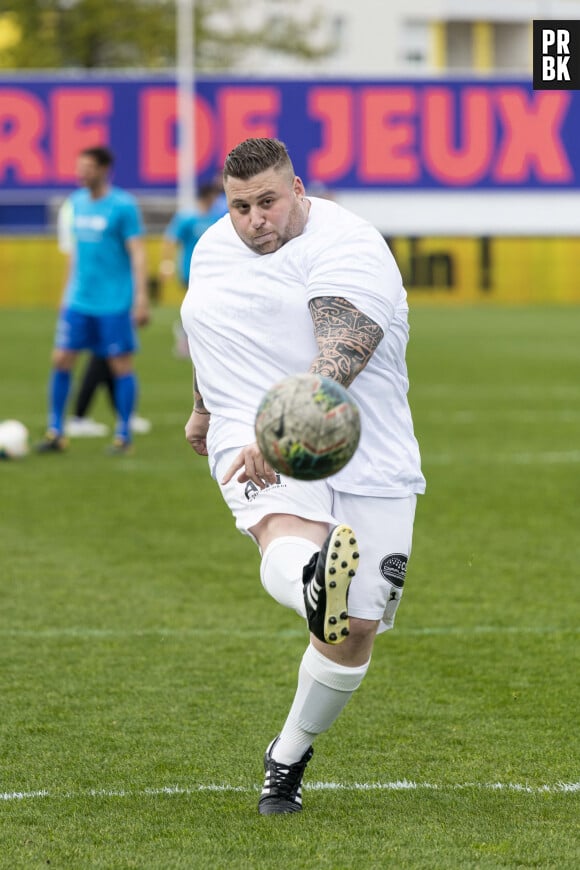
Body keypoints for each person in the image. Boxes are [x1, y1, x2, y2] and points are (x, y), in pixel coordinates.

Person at [181, 138, 426, 815]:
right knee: (284, 533)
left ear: (298, 189)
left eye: (268, 201)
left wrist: (289, 430)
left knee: (356, 631)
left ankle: (286, 754)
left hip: (363, 441)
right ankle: (313, 581)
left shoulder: (349, 243)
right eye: (240, 207)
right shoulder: (211, 246)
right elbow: (210, 329)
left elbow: (341, 348)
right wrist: (205, 410)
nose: (255, 218)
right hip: (246, 424)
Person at [36, 145, 149, 455]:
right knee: (60, 359)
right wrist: (65, 295)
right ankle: (56, 431)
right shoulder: (76, 204)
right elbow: (75, 256)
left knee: (120, 364)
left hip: (114, 303)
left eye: (86, 167)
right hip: (79, 302)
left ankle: (124, 435)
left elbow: (137, 253)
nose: (80, 173)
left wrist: (141, 297)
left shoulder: (123, 206)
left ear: (103, 169)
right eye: (78, 167)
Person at [159, 181, 227, 358]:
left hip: (214, 269)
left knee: (211, 305)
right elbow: (170, 239)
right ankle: (184, 335)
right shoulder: (188, 217)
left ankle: (199, 338)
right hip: (190, 270)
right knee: (196, 304)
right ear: (207, 197)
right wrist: (167, 264)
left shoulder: (216, 216)